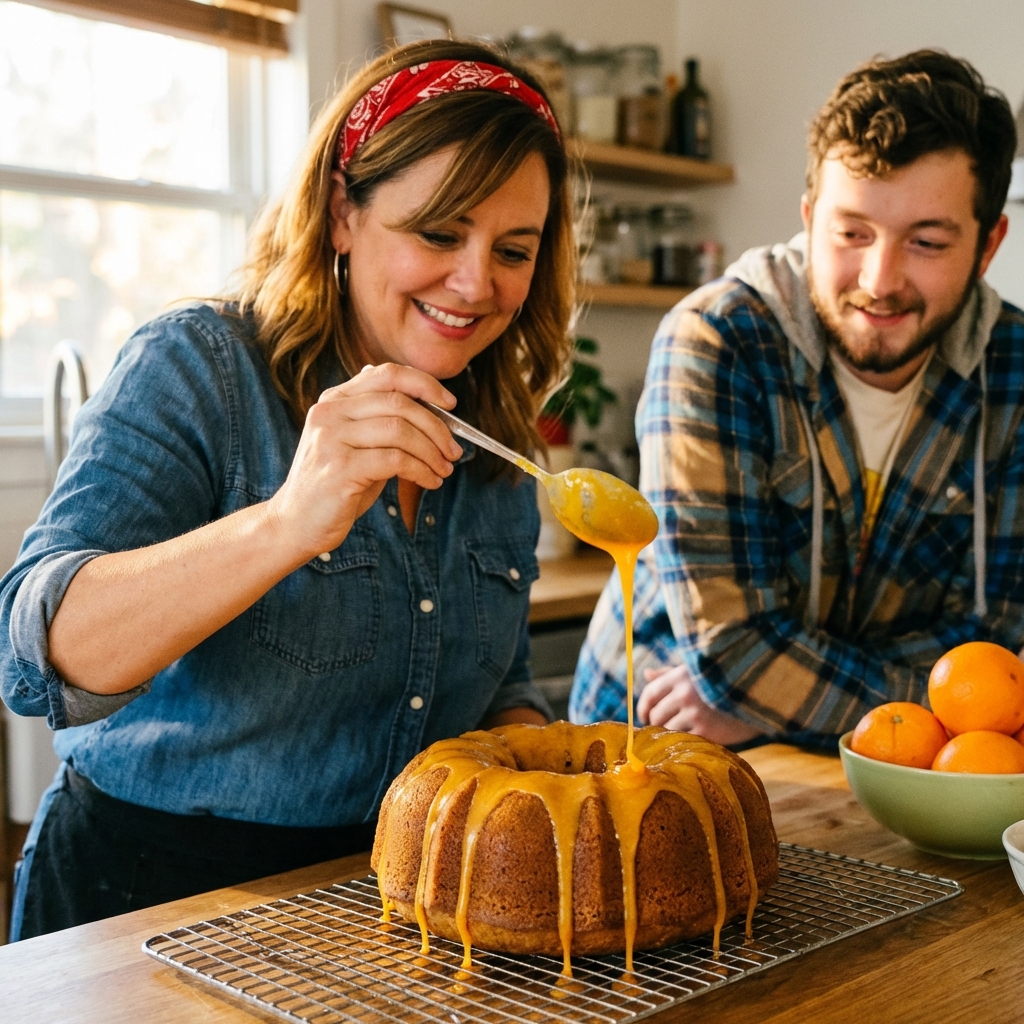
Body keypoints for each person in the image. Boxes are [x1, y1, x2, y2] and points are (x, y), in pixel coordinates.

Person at [0, 39, 577, 940]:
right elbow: (39, 657)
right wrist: (287, 521)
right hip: (144, 914)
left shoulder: (497, 431)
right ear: (343, 212)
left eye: (514, 248)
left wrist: (544, 764)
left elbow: (496, 680)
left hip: (393, 916)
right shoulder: (200, 369)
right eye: (438, 233)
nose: (476, 283)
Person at [571, 50, 1023, 748]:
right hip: (653, 749)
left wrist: (772, 698)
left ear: (989, 244)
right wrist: (756, 682)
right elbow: (733, 651)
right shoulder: (717, 342)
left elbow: (1004, 648)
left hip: (878, 768)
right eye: (851, 233)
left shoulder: (1015, 373)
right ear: (809, 217)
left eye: (927, 242)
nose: (879, 278)